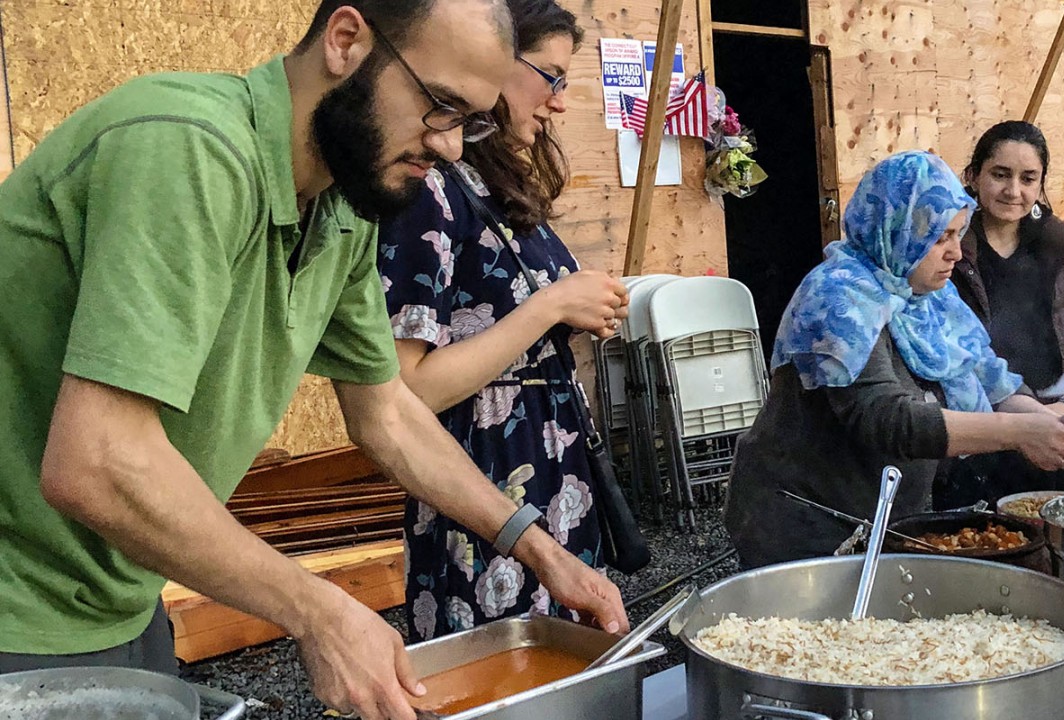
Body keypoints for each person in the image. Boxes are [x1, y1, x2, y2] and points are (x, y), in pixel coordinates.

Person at [0, 2, 627, 718]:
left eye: (469, 121)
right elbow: (97, 461)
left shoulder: (341, 204)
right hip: (16, 611)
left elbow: (386, 412)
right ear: (345, 40)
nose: (451, 148)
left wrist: (539, 550)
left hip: (121, 597)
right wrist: (318, 609)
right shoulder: (188, 148)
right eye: (439, 106)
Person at [378, 0, 629, 642]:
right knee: (505, 672)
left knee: (570, 658)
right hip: (485, 479)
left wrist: (581, 305)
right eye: (550, 76)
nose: (558, 102)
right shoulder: (430, 189)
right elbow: (411, 387)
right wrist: (549, 306)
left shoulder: (498, 190)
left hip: (554, 465)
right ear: (494, 64)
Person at [723, 151, 1064, 570]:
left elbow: (983, 374)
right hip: (804, 521)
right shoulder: (840, 299)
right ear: (898, 231)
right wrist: (1019, 432)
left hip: (883, 514)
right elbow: (885, 417)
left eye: (959, 234)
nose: (955, 253)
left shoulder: (927, 296)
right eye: (940, 239)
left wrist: (1048, 421)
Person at [935, 121, 1064, 507]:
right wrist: (1034, 418)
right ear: (973, 177)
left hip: (1063, 420)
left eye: (1028, 178)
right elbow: (958, 358)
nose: (1014, 191)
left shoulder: (1055, 245)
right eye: (1000, 175)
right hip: (982, 431)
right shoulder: (950, 250)